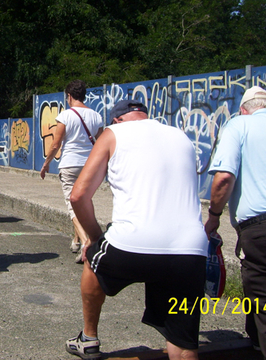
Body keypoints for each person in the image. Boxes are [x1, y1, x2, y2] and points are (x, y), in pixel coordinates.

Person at [66, 99, 208, 360]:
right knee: (183, 341)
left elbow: (78, 196)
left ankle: (88, 339)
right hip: (191, 250)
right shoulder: (180, 136)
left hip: (131, 244)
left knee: (92, 258)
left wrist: (95, 238)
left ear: (117, 120)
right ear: (145, 116)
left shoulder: (113, 134)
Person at [204, 86, 266, 360]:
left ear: (243, 109)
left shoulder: (239, 125)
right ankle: (256, 339)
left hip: (264, 230)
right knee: (263, 277)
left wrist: (214, 217)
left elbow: (223, 178)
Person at [40, 80, 103, 263]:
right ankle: (76, 239)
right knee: (83, 201)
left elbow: (55, 144)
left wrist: (46, 163)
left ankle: (86, 242)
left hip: (69, 165)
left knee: (72, 204)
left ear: (69, 96)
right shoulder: (96, 116)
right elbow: (101, 142)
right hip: (90, 166)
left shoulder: (65, 116)